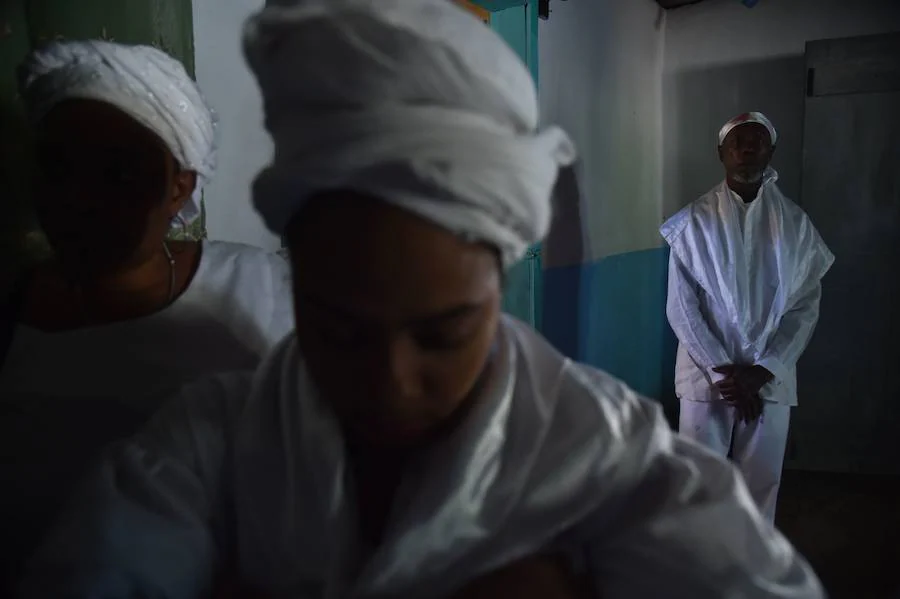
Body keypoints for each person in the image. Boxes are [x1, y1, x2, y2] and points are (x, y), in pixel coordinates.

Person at [20, 4, 824, 598]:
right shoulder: (213, 438)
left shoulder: (597, 442)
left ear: (498, 283)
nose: (390, 382)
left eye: (444, 332)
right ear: (294, 278)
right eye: (338, 327)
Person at [0, 40, 294, 591]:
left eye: (117, 173)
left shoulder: (259, 288)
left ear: (179, 184)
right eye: (57, 168)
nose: (78, 199)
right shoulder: (13, 316)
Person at [661, 112, 834, 523]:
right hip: (708, 381)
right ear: (721, 153)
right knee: (700, 484)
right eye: (738, 141)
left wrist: (763, 369)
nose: (747, 147)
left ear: (771, 151)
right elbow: (682, 308)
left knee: (760, 485)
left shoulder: (796, 226)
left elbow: (805, 306)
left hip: (768, 382)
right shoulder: (692, 224)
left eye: (757, 140)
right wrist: (727, 375)